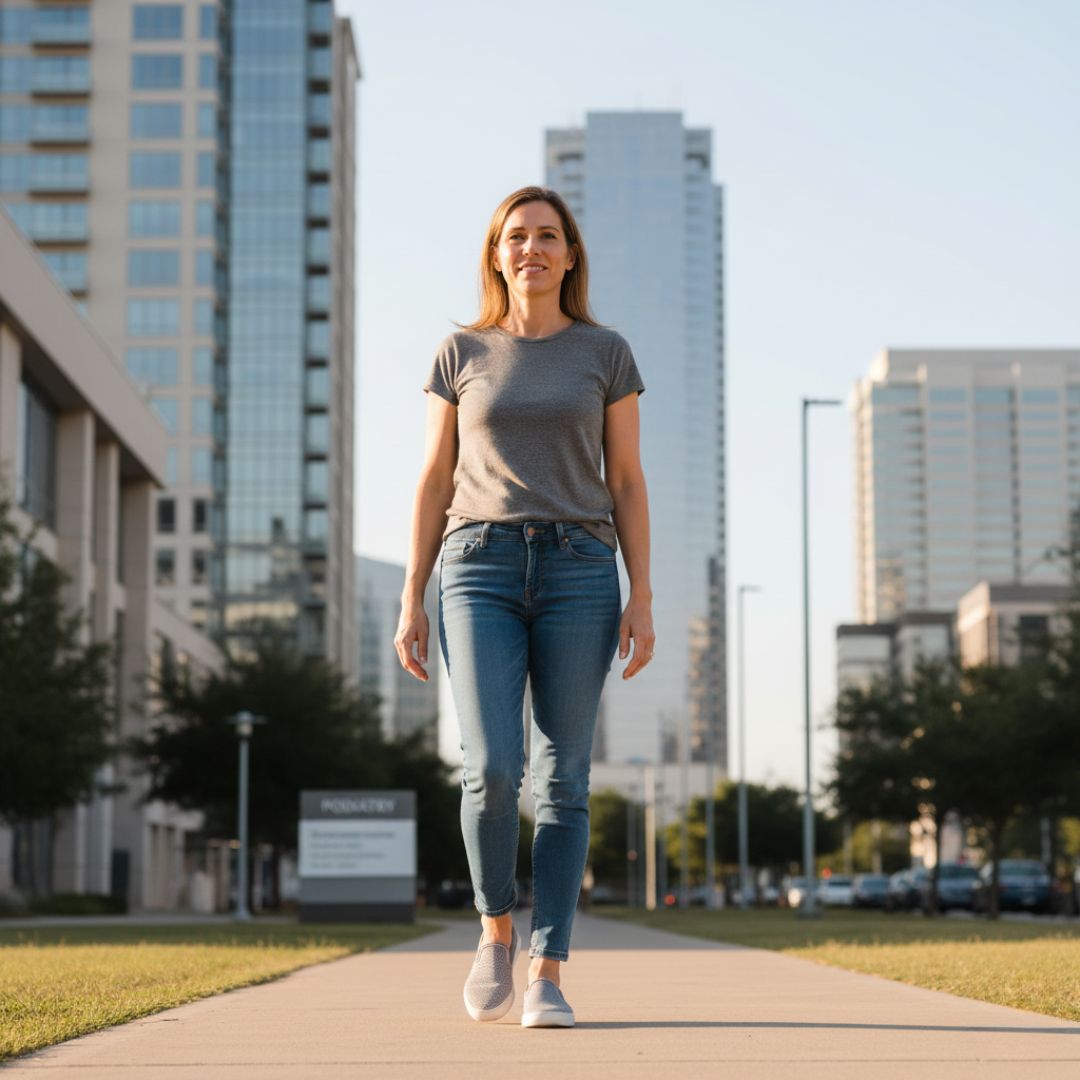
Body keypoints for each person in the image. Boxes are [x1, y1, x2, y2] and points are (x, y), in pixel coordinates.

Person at [395, 185, 654, 1028]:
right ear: (496, 254)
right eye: (517, 237)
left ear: (570, 255)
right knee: (493, 767)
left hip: (582, 565)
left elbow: (625, 480)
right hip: (478, 564)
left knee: (564, 779)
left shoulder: (606, 352)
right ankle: (494, 931)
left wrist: (640, 594)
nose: (532, 249)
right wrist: (412, 593)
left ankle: (548, 969)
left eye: (548, 236)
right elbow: (435, 479)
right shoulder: (460, 351)